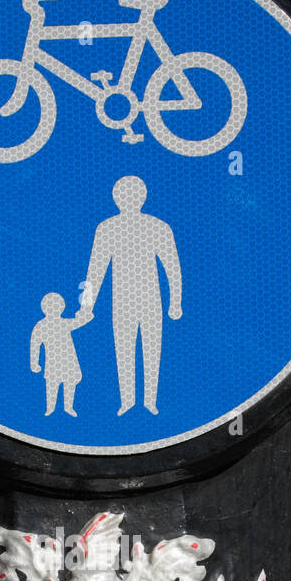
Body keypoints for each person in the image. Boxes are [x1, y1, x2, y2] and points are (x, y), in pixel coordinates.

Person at [82, 176, 182, 415]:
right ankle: (126, 401)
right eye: (123, 195)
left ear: (142, 197)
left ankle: (151, 401)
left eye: (134, 195)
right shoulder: (106, 228)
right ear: (116, 198)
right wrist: (87, 306)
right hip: (122, 302)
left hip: (151, 301)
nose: (128, 199)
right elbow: (95, 270)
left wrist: (175, 302)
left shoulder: (158, 227)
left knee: (151, 350)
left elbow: (172, 267)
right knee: (124, 351)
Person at [30, 292, 93, 416]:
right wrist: (34, 363)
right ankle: (50, 408)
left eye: (57, 306)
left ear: (62, 308)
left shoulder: (64, 323)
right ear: (45, 308)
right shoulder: (41, 326)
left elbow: (78, 322)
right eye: (51, 306)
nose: (55, 309)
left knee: (70, 383)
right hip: (52, 362)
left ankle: (68, 407)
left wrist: (86, 316)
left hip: (69, 361)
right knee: (52, 384)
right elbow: (35, 345)